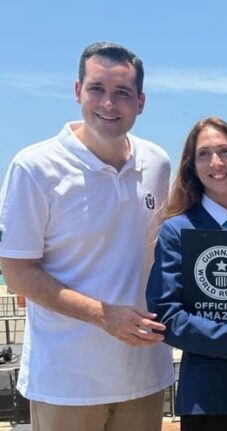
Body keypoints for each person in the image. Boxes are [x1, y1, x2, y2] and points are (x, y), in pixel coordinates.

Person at [0, 42, 174, 431]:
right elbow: (17, 272)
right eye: (97, 89)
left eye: (122, 92)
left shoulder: (158, 163)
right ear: (78, 91)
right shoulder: (34, 167)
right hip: (66, 384)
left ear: (140, 102)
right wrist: (102, 315)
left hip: (145, 374)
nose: (108, 103)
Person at [146, 117, 227, 431]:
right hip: (208, 399)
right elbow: (166, 317)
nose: (216, 162)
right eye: (204, 154)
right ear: (192, 167)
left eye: (225, 151)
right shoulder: (177, 232)